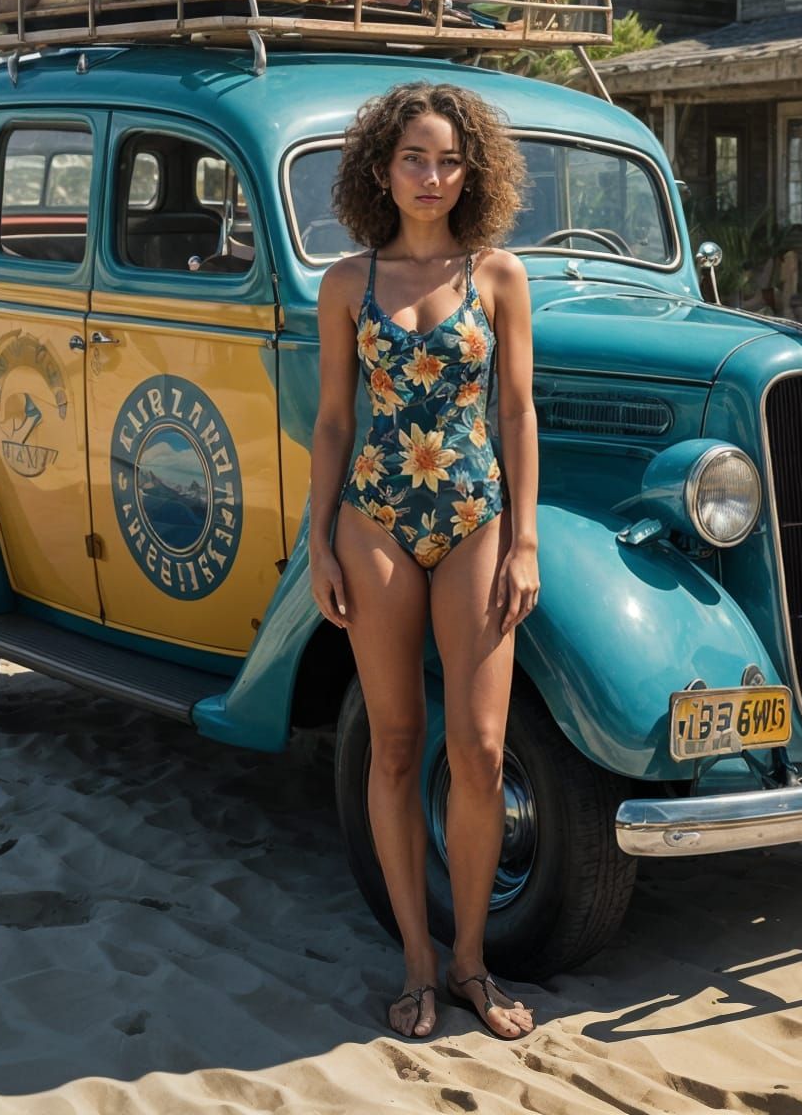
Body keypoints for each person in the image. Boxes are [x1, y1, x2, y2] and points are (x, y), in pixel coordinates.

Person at [309, 82, 540, 1041]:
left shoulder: (498, 276)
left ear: (471, 171)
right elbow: (331, 420)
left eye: (449, 161)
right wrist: (319, 540)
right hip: (375, 519)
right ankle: (414, 964)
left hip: (475, 514)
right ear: (380, 168)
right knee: (397, 744)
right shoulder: (344, 283)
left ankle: (472, 962)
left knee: (479, 753)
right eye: (415, 158)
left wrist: (525, 538)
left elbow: (519, 412)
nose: (433, 177)